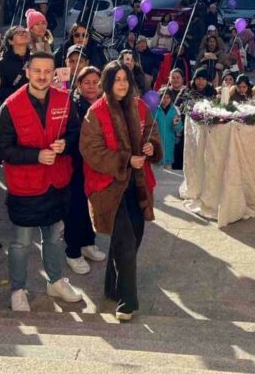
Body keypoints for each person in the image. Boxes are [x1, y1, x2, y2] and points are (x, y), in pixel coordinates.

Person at [0, 51, 84, 311]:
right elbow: (1, 147)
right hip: (26, 185)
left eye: (48, 71)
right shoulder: (11, 105)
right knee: (21, 242)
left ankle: (55, 281)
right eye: (37, 71)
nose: (43, 76)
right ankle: (18, 289)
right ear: (28, 71)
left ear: (54, 72)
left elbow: (76, 134)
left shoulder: (64, 100)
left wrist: (65, 144)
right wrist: (35, 155)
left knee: (55, 237)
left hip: (57, 183)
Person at [80, 61, 163, 322]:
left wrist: (150, 147)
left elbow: (153, 135)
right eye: (116, 79)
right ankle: (128, 300)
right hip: (108, 187)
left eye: (125, 79)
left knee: (134, 238)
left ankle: (112, 284)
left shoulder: (140, 107)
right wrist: (125, 160)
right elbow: (91, 150)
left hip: (137, 185)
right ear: (108, 82)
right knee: (125, 241)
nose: (122, 84)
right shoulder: (95, 112)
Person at [63, 64, 107, 275]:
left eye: (95, 83)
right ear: (78, 85)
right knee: (75, 206)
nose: (91, 87)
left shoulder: (105, 105)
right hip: (76, 164)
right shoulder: (71, 106)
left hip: (96, 164)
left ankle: (88, 242)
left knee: (90, 205)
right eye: (86, 83)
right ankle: (73, 251)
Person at [0, 26, 31, 104]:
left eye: (25, 32)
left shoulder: (35, 59)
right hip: (14, 104)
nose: (23, 34)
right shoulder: (2, 63)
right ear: (10, 41)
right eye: (18, 32)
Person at [152, 87, 179, 166]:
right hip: (157, 143)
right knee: (157, 169)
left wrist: (176, 124)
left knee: (168, 170)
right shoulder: (154, 110)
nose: (166, 100)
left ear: (171, 98)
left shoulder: (175, 110)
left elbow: (179, 128)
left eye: (168, 97)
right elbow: (150, 127)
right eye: (163, 97)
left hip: (170, 143)